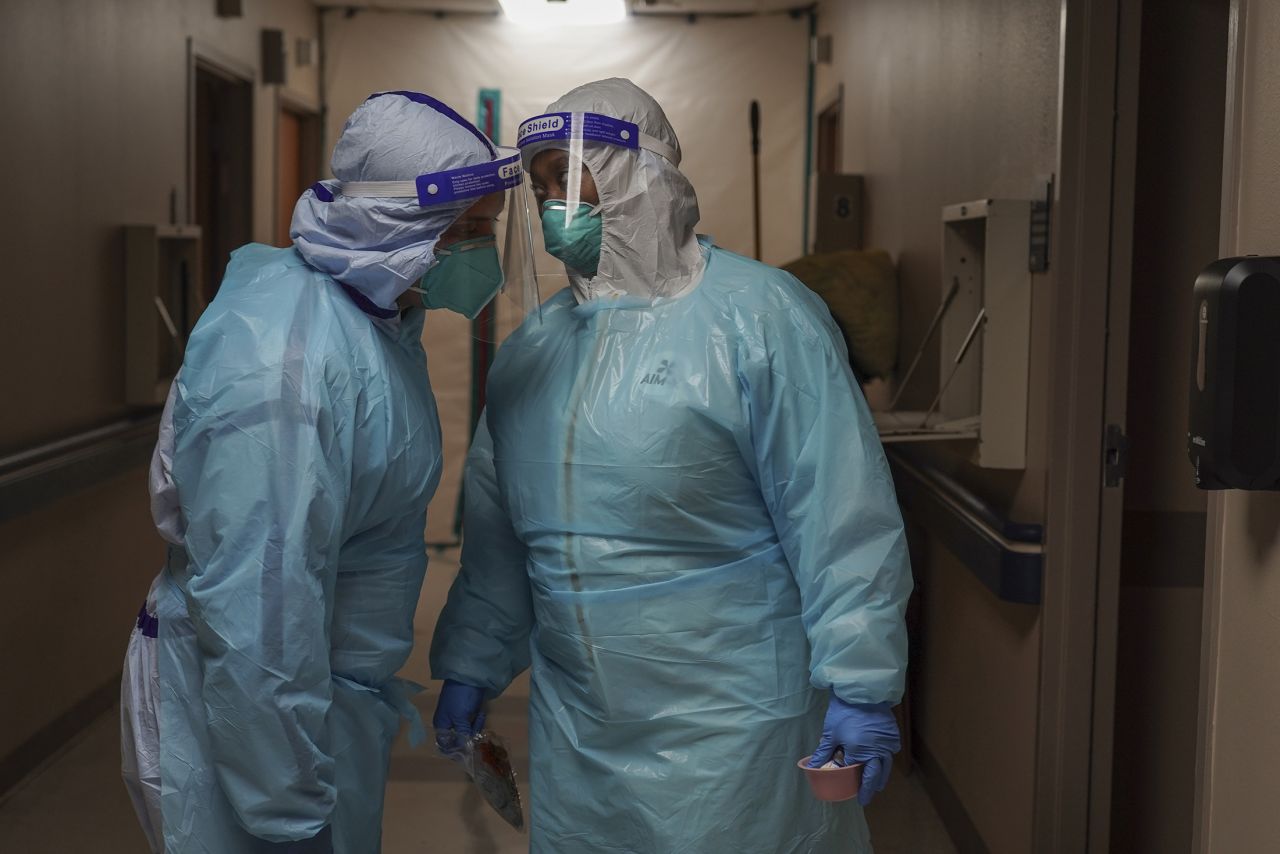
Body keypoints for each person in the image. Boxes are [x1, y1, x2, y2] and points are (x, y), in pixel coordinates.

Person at [429, 78, 913, 853]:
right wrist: (472, 665)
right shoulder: (533, 354)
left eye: (570, 175)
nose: (556, 204)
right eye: (544, 183)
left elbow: (839, 517)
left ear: (635, 174)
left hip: (734, 725)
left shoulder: (761, 320)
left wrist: (861, 684)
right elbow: (499, 543)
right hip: (580, 729)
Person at [119, 90, 526, 854]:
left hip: (317, 709)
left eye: (487, 231)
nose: (481, 253)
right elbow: (258, 612)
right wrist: (285, 812)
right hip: (251, 727)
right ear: (395, 226)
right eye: (465, 232)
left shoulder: (373, 322)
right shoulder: (286, 364)